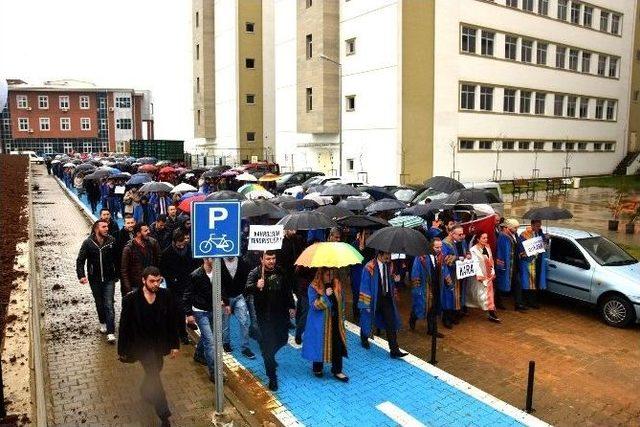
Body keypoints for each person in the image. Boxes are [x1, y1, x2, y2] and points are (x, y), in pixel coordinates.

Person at [118, 266, 180, 426]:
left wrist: (175, 345)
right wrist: (122, 350)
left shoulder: (165, 296)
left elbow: (172, 321)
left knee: (157, 369)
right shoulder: (131, 299)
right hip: (141, 346)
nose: (156, 285)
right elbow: (124, 326)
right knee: (155, 375)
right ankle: (164, 415)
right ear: (143, 280)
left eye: (158, 281)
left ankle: (145, 390)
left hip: (159, 345)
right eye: (152, 281)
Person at [245, 251, 296, 391]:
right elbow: (246, 289)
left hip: (281, 316)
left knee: (283, 340)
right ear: (262, 259)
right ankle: (272, 377)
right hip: (264, 317)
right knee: (268, 348)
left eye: (273, 258)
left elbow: (287, 290)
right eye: (268, 259)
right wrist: (256, 285)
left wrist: (291, 305)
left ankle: (269, 355)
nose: (271, 261)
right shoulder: (255, 273)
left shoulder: (280, 271)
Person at [301, 268, 349, 382]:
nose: (330, 276)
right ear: (321, 274)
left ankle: (337, 370)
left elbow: (341, 301)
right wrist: (325, 296)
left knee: (337, 345)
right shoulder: (313, 287)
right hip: (320, 323)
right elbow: (314, 305)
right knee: (319, 343)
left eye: (332, 273)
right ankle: (317, 367)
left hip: (335, 321)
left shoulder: (336, 284)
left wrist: (342, 316)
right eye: (328, 274)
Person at [76, 219, 118, 343]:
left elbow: (117, 258)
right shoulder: (88, 243)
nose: (107, 229)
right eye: (103, 227)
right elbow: (80, 260)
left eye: (107, 226)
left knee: (109, 304)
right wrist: (81, 275)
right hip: (95, 279)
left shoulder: (112, 241)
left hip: (109, 278)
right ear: (96, 229)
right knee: (99, 303)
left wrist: (117, 274)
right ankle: (103, 322)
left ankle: (111, 332)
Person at [358, 251, 406, 358]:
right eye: (386, 255)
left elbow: (390, 281)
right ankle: (364, 337)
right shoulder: (369, 267)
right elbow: (364, 286)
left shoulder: (390, 265)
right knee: (367, 319)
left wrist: (395, 279)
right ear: (379, 254)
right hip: (374, 299)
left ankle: (394, 349)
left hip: (387, 299)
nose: (388, 257)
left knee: (391, 322)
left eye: (389, 255)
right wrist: (366, 305)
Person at [159, 229, 200, 345]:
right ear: (174, 242)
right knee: (180, 309)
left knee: (188, 306)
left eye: (183, 244)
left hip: (189, 283)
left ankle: (187, 324)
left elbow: (196, 264)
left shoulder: (190, 249)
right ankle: (182, 333)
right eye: (179, 244)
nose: (182, 246)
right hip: (174, 286)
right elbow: (163, 269)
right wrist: (172, 278)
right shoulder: (167, 253)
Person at [184, 258, 220, 382]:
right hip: (200, 312)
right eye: (212, 257)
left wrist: (224, 301)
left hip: (212, 309)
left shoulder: (218, 272)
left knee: (206, 337)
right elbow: (187, 294)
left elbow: (222, 288)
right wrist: (188, 314)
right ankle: (215, 373)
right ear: (205, 258)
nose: (215, 259)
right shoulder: (195, 275)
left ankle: (199, 355)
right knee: (210, 341)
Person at [220, 256, 255, 359]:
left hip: (239, 296)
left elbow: (248, 278)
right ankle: (226, 343)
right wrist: (224, 301)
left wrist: (244, 293)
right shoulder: (219, 262)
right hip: (225, 298)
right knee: (225, 323)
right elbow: (219, 284)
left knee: (244, 322)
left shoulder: (242, 261)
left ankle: (245, 348)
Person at [409, 238, 444, 337]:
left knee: (434, 308)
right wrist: (417, 289)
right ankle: (413, 317)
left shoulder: (441, 256)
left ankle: (432, 330)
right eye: (437, 247)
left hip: (436, 286)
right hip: (425, 286)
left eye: (440, 247)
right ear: (431, 247)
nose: (439, 249)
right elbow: (415, 274)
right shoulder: (421, 257)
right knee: (422, 307)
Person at [440, 224, 471, 328]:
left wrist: (468, 255)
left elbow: (466, 251)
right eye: (459, 234)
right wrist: (459, 258)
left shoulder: (460, 241)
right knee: (448, 296)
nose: (462, 236)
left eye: (462, 234)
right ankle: (446, 318)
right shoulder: (445, 244)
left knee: (457, 295)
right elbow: (445, 259)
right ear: (451, 234)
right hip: (449, 273)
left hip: (459, 273)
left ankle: (454, 315)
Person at [279, 229, 306, 344]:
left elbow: (303, 254)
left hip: (297, 275)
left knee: (300, 297)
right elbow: (279, 258)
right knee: (286, 298)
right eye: (290, 230)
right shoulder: (281, 242)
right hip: (285, 274)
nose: (293, 231)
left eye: (294, 229)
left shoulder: (298, 240)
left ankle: (299, 318)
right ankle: (286, 320)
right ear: (285, 231)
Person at [120, 222, 160, 296]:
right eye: (146, 231)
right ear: (138, 233)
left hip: (150, 283)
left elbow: (157, 262)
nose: (149, 232)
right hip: (135, 285)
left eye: (148, 230)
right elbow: (124, 270)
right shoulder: (128, 249)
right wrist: (128, 289)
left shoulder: (152, 244)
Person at [468, 232, 501, 322]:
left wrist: (492, 271)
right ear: (478, 239)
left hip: (489, 275)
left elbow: (491, 260)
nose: (486, 240)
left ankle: (492, 313)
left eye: (486, 238)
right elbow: (475, 264)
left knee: (489, 295)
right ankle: (465, 308)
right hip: (479, 276)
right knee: (478, 295)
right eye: (483, 238)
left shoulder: (487, 247)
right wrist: (480, 277)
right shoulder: (473, 250)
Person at [496, 218, 527, 311]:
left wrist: (522, 252)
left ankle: (518, 304)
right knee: (501, 284)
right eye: (515, 228)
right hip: (507, 265)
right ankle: (498, 301)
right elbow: (501, 252)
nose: (516, 230)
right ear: (509, 228)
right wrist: (501, 265)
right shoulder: (502, 236)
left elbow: (519, 246)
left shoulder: (515, 235)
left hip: (515, 263)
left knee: (517, 283)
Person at [518, 220, 547, 309]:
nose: (539, 228)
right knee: (527, 282)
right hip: (528, 261)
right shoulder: (524, 235)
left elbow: (543, 245)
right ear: (532, 225)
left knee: (535, 281)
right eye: (537, 226)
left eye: (540, 226)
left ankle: (533, 301)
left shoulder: (540, 234)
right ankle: (525, 301)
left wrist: (545, 239)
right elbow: (521, 249)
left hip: (537, 261)